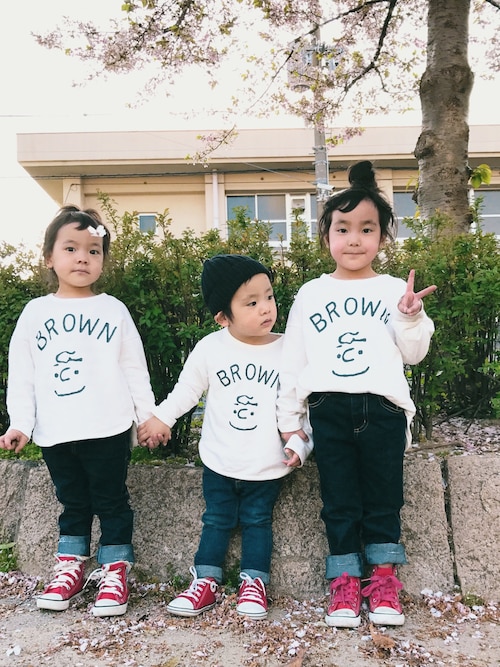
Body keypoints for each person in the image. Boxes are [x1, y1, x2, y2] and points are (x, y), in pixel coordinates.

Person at [277, 161, 436, 629]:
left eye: (367, 229)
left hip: (383, 409)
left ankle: (383, 580)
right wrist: (290, 421)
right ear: (326, 235)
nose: (354, 239)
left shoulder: (394, 290)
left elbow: (415, 354)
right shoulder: (310, 293)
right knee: (339, 500)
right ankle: (345, 581)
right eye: (342, 228)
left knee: (385, 497)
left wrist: (410, 316)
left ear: (383, 237)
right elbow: (293, 362)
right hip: (328, 408)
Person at [0, 205, 156, 617]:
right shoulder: (35, 313)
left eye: (93, 250)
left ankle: (115, 571)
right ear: (49, 257)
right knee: (72, 502)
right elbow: (23, 373)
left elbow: (133, 368)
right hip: (56, 430)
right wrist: (20, 423)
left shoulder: (113, 309)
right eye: (70, 248)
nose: (82, 257)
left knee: (111, 500)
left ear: (103, 259)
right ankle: (70, 567)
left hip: (108, 426)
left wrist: (148, 416)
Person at [138, 254, 312, 620]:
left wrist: (301, 444)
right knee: (216, 519)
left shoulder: (290, 349)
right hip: (219, 460)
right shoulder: (211, 348)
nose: (266, 308)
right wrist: (161, 418)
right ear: (223, 317)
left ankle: (254, 582)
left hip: (267, 463)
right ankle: (205, 581)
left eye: (269, 296)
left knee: (258, 521)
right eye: (251, 302)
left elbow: (301, 405)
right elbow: (187, 390)